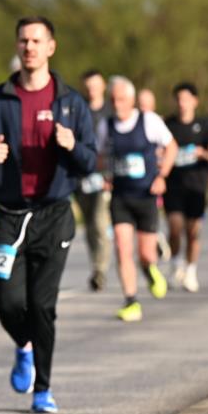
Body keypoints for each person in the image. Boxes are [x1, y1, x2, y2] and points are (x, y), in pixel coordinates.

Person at [0, 16, 97, 413]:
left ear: (50, 47)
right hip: (7, 216)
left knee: (42, 306)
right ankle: (24, 345)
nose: (29, 47)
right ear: (17, 45)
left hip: (53, 216)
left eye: (37, 41)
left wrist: (72, 145)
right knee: (8, 303)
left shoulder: (71, 103)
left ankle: (43, 389)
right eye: (24, 40)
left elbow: (90, 162)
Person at [97, 76, 177, 322]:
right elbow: (100, 154)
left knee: (146, 254)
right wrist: (104, 174)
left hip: (146, 196)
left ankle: (149, 269)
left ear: (131, 100)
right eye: (113, 100)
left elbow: (171, 146)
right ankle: (131, 301)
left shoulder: (148, 121)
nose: (117, 104)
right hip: (120, 197)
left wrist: (162, 176)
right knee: (122, 249)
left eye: (121, 99)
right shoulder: (106, 125)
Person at [163, 82, 208, 292]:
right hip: (173, 185)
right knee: (175, 227)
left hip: (196, 186)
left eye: (186, 99)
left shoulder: (204, 126)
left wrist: (204, 153)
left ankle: (191, 271)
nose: (182, 103)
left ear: (195, 101)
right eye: (179, 99)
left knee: (193, 231)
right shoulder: (168, 125)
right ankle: (175, 264)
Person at [76, 69, 112, 291]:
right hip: (82, 176)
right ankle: (95, 264)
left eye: (95, 85)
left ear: (103, 85)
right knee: (89, 224)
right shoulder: (78, 109)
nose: (92, 90)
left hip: (104, 176)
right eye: (88, 86)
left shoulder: (110, 110)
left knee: (100, 222)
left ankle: (101, 269)